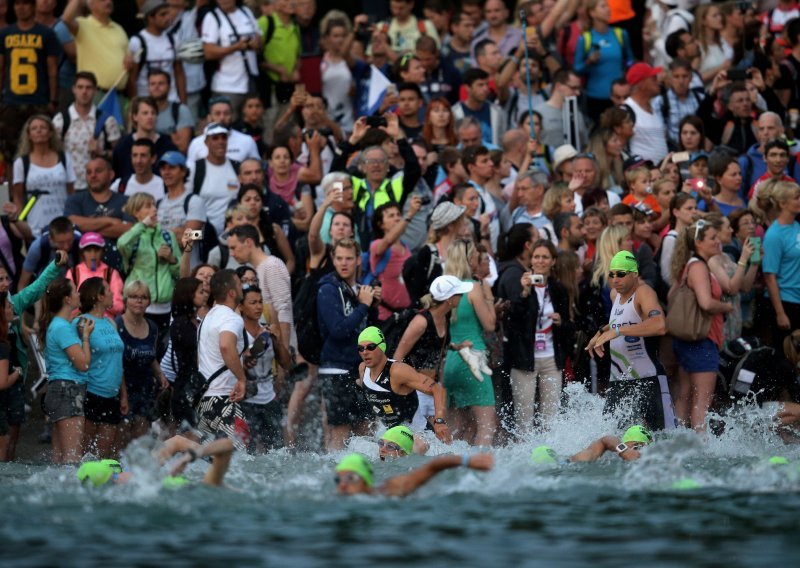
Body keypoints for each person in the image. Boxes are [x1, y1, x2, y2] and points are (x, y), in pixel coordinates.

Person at [586, 251, 677, 431]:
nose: (615, 279)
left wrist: (618, 331)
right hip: (619, 380)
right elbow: (620, 322)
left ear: (634, 274)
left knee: (665, 439)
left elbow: (660, 325)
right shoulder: (615, 295)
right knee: (612, 439)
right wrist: (601, 332)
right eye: (611, 274)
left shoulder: (643, 293)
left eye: (621, 274)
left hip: (648, 379)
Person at [669, 219, 733, 431]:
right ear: (698, 242)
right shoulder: (698, 267)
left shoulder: (689, 265)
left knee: (685, 395)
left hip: (688, 341)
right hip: (701, 341)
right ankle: (702, 448)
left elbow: (671, 295)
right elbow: (706, 302)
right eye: (712, 238)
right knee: (702, 400)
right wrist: (726, 307)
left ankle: (678, 440)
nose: (717, 242)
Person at [316, 238, 376, 450]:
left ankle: (367, 480)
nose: (344, 263)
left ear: (358, 260)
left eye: (349, 258)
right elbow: (338, 330)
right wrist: (363, 306)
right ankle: (334, 479)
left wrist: (371, 304)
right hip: (335, 370)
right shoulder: (327, 289)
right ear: (333, 259)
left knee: (367, 431)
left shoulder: (361, 290)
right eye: (339, 258)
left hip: (361, 369)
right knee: (339, 433)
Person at [506, 239, 572, 431]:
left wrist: (561, 322)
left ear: (553, 261)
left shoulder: (559, 289)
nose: (540, 261)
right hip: (524, 359)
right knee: (523, 419)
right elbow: (513, 323)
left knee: (550, 419)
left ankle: (548, 456)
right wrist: (524, 293)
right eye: (536, 257)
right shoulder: (521, 285)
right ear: (530, 260)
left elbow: (570, 326)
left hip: (552, 359)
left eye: (545, 257)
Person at [357, 325, 452, 444]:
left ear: (381, 347)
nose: (365, 352)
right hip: (391, 437)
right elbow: (372, 387)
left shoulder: (398, 371)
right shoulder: (363, 369)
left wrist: (439, 421)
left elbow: (438, 390)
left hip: (421, 438)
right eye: (360, 348)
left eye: (370, 347)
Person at [442, 240, 497, 447]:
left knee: (458, 430)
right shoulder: (473, 288)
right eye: (474, 255)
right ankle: (481, 471)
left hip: (451, 362)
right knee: (486, 426)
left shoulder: (445, 289)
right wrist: (489, 296)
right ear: (467, 259)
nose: (476, 259)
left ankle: (452, 470)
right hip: (474, 359)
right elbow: (490, 325)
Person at [195, 269, 250, 450]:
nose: (243, 286)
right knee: (238, 459)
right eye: (239, 283)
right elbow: (226, 346)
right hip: (223, 399)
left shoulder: (207, 318)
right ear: (232, 292)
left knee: (210, 463)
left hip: (204, 400)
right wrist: (242, 378)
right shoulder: (231, 318)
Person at [117, 192, 181, 347]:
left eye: (154, 205)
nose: (154, 209)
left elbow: (179, 273)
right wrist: (142, 225)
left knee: (160, 351)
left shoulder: (167, 236)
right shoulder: (133, 236)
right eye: (148, 206)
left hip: (165, 307)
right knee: (136, 350)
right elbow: (121, 244)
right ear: (136, 213)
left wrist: (172, 260)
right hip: (137, 304)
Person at [41, 277, 93, 464]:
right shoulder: (62, 327)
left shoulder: (57, 325)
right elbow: (83, 364)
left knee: (59, 457)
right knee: (72, 458)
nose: (79, 294)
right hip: (67, 390)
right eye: (75, 291)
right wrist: (86, 337)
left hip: (58, 389)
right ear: (67, 299)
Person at [0, 0, 59, 162]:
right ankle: (14, 187)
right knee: (10, 154)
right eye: (17, 4)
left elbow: (52, 70)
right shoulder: (5, 34)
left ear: (33, 7)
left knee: (40, 148)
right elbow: (1, 68)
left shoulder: (46, 34)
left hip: (38, 100)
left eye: (25, 3)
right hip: (11, 102)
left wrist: (53, 100)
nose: (20, 8)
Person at [76, 276, 125, 458]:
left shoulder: (111, 322)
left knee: (103, 457)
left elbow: (118, 360)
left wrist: (123, 395)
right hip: (91, 393)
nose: (113, 292)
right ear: (98, 297)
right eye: (108, 289)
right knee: (85, 455)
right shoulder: (81, 322)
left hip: (112, 396)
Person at [240, 285, 291, 453]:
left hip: (269, 397)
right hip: (246, 400)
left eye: (260, 302)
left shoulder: (268, 331)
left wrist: (276, 340)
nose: (258, 306)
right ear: (241, 306)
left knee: (277, 450)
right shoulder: (236, 333)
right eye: (253, 302)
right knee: (249, 452)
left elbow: (286, 363)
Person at [115, 280, 166, 449]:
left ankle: (136, 474)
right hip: (122, 387)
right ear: (125, 300)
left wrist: (160, 374)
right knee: (122, 438)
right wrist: (123, 396)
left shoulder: (152, 327)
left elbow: (150, 356)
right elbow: (116, 363)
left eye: (143, 297)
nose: (139, 301)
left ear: (149, 302)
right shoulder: (117, 325)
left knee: (141, 440)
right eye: (134, 297)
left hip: (145, 387)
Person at [227, 225, 293, 352]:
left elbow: (284, 311)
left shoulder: (272, 266)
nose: (231, 254)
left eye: (234, 248)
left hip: (278, 354)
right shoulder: (259, 269)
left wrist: (283, 357)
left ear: (248, 242)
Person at [76, 436, 235, 488]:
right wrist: (190, 457)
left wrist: (189, 457)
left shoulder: (144, 470)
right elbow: (227, 445)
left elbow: (177, 441)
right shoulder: (209, 485)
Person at [52, 71, 121, 192]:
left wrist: (101, 153)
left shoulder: (108, 120)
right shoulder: (60, 119)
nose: (84, 91)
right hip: (68, 186)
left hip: (98, 187)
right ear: (73, 89)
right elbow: (51, 153)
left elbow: (119, 154)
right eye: (80, 87)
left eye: (88, 88)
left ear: (95, 90)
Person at [11, 114, 76, 239]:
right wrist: (20, 223)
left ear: (51, 133)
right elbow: (17, 196)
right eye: (34, 128)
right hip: (35, 227)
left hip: (63, 224)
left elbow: (71, 192)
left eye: (43, 127)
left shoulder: (64, 158)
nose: (39, 130)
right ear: (29, 135)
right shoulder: (21, 163)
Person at [334, 452, 492, 496]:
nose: (343, 484)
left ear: (366, 480)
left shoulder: (392, 489)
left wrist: (466, 461)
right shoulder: (337, 499)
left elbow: (432, 466)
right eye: (338, 479)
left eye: (351, 478)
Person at [573, 0, 634, 117]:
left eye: (608, 6)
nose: (608, 9)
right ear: (592, 13)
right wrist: (589, 62)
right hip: (596, 98)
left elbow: (630, 61)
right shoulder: (585, 39)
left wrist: (627, 75)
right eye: (603, 6)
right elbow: (576, 69)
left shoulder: (621, 34)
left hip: (620, 97)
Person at [201, 0, 261, 117]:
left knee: (252, 123)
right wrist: (236, 47)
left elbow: (259, 38)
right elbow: (208, 52)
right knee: (227, 123)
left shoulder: (246, 12)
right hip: (227, 85)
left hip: (250, 81)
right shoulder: (212, 17)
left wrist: (255, 44)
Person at [62, 0, 130, 97]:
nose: (108, 2)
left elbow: (128, 58)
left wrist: (129, 61)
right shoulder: (83, 25)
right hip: (93, 94)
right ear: (91, 5)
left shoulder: (119, 29)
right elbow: (66, 19)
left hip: (118, 95)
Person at [368, 200, 420, 321]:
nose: (397, 219)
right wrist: (409, 215)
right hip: (384, 315)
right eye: (391, 216)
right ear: (381, 224)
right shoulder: (376, 245)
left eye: (398, 215)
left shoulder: (406, 248)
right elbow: (387, 241)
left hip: (406, 314)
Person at [763, 182, 800, 351]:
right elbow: (769, 275)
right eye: (797, 198)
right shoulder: (774, 235)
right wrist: (780, 313)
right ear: (782, 203)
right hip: (787, 301)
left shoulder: (797, 226)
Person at [128, 0, 186, 103]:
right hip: (146, 102)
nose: (168, 18)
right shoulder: (137, 41)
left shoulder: (173, 39)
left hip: (171, 101)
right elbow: (132, 79)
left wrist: (183, 102)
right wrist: (135, 105)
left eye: (168, 13)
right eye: (162, 15)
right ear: (151, 18)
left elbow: (179, 72)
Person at [112, 96, 178, 181]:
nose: (150, 117)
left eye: (153, 113)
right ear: (135, 116)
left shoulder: (167, 145)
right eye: (145, 113)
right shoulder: (123, 146)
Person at [65, 232, 124, 317]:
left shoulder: (111, 273)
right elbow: (67, 303)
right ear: (82, 253)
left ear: (102, 252)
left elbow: (119, 306)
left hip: (105, 323)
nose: (93, 255)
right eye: (88, 251)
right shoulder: (73, 273)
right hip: (79, 322)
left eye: (96, 250)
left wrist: (100, 302)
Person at [624, 63, 668, 164]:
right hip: (641, 175)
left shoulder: (655, 108)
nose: (658, 81)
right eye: (653, 78)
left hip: (660, 175)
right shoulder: (625, 110)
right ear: (641, 83)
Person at [451, 68, 507, 148]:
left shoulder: (497, 112)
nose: (486, 89)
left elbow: (502, 140)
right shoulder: (454, 113)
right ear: (467, 88)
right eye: (480, 85)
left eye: (487, 84)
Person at [148, 69, 193, 154]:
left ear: (169, 87)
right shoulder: (141, 111)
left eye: (161, 83)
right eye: (152, 84)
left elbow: (183, 147)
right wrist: (170, 138)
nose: (156, 87)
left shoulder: (181, 110)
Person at [569, 425, 653, 462]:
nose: (638, 451)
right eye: (636, 446)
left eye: (645, 447)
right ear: (625, 443)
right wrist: (624, 451)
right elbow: (606, 440)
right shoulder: (609, 457)